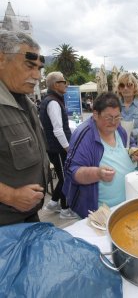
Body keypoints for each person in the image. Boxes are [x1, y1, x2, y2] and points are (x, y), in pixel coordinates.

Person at [62, 92, 138, 218]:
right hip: (100, 212)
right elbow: (71, 171)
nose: (114, 122)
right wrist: (97, 173)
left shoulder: (119, 128)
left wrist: (133, 152)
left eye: (117, 117)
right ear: (95, 114)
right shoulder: (84, 135)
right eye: (108, 117)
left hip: (126, 204)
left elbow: (129, 143)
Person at [0, 31, 49, 225]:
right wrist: (11, 196)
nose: (37, 76)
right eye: (30, 66)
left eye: (39, 68)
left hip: (27, 216)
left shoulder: (25, 101)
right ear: (2, 59)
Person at [39, 71, 77, 219]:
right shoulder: (53, 102)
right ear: (56, 85)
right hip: (58, 148)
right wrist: (67, 148)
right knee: (66, 177)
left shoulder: (50, 99)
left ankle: (53, 202)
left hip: (54, 147)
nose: (66, 84)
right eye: (63, 81)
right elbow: (58, 130)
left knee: (62, 176)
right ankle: (65, 210)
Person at [117, 72, 138, 165]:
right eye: (122, 85)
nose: (125, 88)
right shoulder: (115, 104)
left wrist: (127, 132)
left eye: (129, 85)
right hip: (119, 147)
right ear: (119, 88)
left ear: (135, 87)